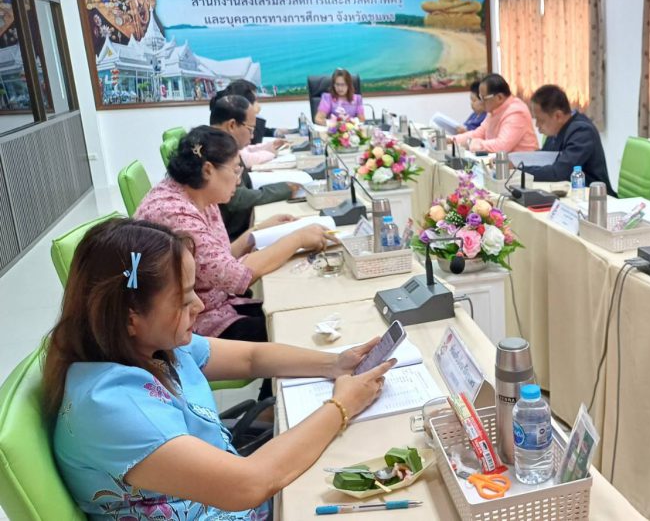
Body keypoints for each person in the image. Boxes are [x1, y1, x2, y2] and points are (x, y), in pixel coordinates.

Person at [46, 217, 394, 519]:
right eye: (183, 299)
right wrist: (342, 406)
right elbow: (249, 484)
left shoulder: (149, 346)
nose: (198, 305)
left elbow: (250, 358)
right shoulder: (111, 405)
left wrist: (334, 364)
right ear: (130, 317)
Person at [135, 127, 328, 398]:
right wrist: (297, 239)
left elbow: (217, 259)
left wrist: (254, 234)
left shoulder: (197, 193)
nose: (239, 180)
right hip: (187, 325)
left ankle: (270, 402)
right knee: (286, 331)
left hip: (211, 304)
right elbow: (235, 277)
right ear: (208, 170)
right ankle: (274, 408)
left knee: (288, 312)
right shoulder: (175, 213)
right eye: (236, 170)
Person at [209, 94, 299, 240]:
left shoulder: (221, 143)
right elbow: (237, 199)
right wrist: (284, 189)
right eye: (250, 130)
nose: (252, 137)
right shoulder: (214, 150)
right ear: (232, 125)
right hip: (232, 236)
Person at [524, 84, 614, 193]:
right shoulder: (556, 130)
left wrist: (520, 171)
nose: (537, 125)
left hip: (594, 197)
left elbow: (559, 173)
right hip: (569, 193)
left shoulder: (582, 131)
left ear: (558, 116)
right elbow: (544, 160)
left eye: (541, 120)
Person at [451, 73, 539, 153]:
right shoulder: (493, 110)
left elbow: (501, 146)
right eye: (480, 98)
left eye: (484, 98)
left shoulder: (516, 112)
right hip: (503, 162)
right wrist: (452, 140)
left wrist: (471, 143)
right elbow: (478, 134)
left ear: (499, 97)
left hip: (524, 163)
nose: (481, 102)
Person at [216, 79, 292, 146]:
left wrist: (276, 132)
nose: (258, 104)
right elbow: (255, 141)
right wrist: (254, 114)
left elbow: (262, 130)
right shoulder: (236, 124)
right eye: (255, 100)